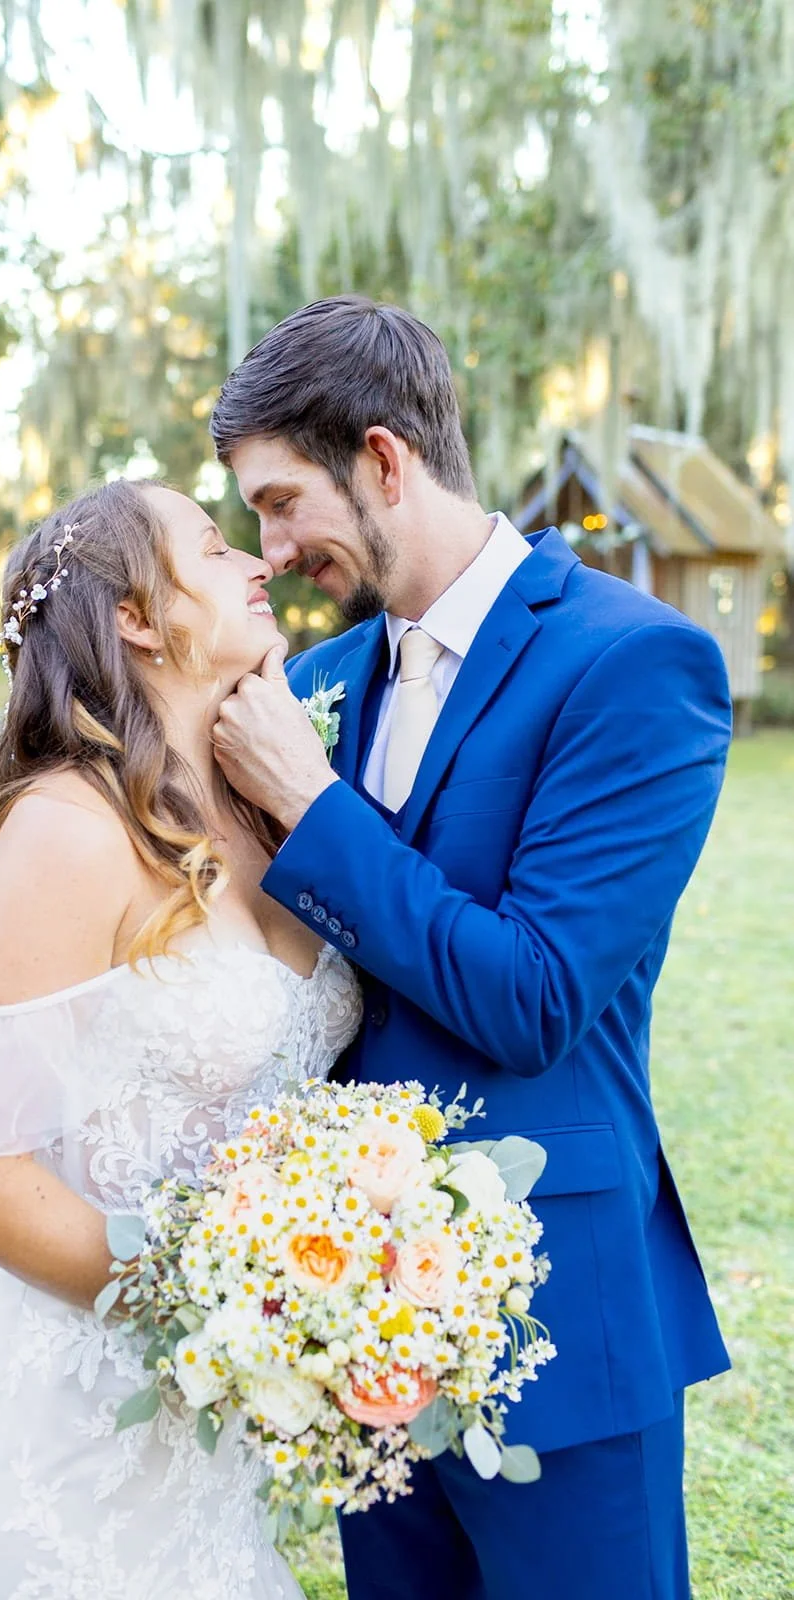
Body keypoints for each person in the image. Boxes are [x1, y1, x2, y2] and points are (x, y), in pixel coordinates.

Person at [208, 295, 732, 1600]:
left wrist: (311, 809)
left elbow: (534, 996)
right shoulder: (322, 689)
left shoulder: (633, 665)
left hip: (551, 1321)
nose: (267, 551)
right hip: (347, 1325)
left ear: (383, 459)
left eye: (280, 504)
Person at [0, 478, 362, 1600]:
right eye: (212, 542)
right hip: (75, 1403)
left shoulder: (267, 808)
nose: (257, 561)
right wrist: (218, 1311)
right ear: (138, 617)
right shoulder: (65, 829)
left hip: (213, 1418)